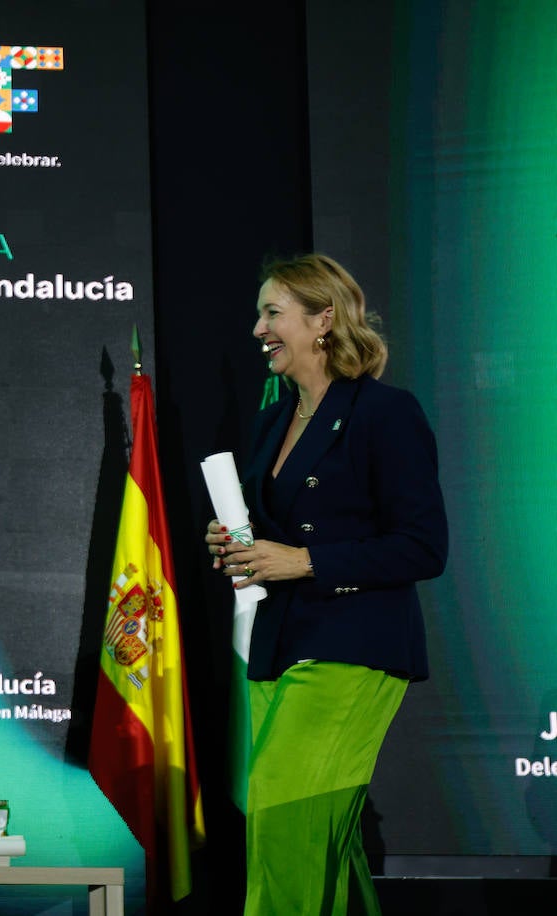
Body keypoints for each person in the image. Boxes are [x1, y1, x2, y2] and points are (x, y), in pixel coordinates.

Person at [204, 254, 448, 915]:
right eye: (261, 314)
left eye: (272, 313)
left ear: (324, 320)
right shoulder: (273, 419)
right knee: (309, 840)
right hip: (280, 645)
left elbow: (424, 547)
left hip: (353, 646)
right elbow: (276, 533)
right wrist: (237, 544)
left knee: (287, 822)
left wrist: (305, 561)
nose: (258, 329)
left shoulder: (386, 412)